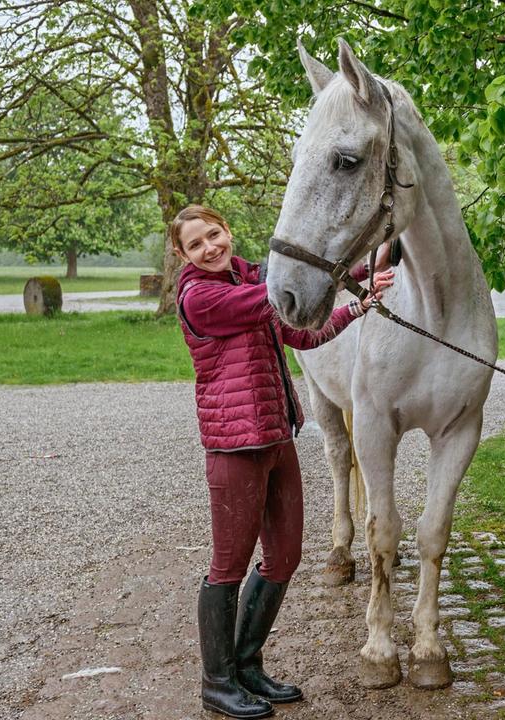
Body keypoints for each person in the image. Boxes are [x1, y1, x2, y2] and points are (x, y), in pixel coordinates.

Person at [170, 205, 394, 718]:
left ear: (227, 230)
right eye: (196, 244)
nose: (210, 247)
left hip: (276, 437)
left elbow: (304, 334)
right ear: (182, 255)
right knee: (227, 568)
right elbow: (275, 300)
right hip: (235, 449)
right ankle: (217, 681)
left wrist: (361, 298)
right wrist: (348, 273)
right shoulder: (201, 297)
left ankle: (247, 666)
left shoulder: (251, 279)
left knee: (284, 557)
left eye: (214, 234)